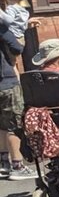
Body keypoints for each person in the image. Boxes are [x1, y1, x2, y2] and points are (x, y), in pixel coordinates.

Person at [0, 22, 32, 179]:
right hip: (6, 82)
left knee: (1, 125)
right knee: (14, 124)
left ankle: (3, 163)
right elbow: (17, 48)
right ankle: (17, 165)